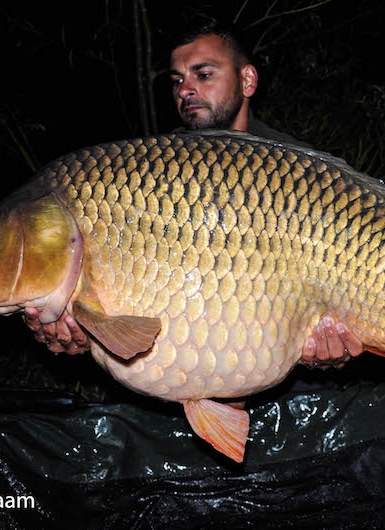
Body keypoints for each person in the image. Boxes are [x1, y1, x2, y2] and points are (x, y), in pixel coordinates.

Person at [24, 19, 364, 367]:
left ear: (247, 80)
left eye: (203, 75)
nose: (185, 89)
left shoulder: (303, 173)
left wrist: (327, 353)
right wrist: (84, 334)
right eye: (177, 80)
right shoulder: (152, 173)